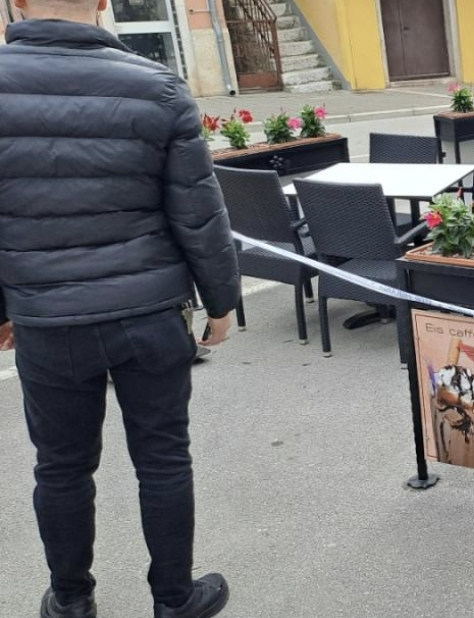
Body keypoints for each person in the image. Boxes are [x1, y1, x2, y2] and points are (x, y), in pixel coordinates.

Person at [0, 0, 241, 616]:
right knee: (162, 458)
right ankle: (174, 600)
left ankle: (71, 602)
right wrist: (221, 301)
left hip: (46, 319)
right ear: (104, 2)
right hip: (149, 312)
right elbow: (198, 211)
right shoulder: (157, 86)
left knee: (59, 467)